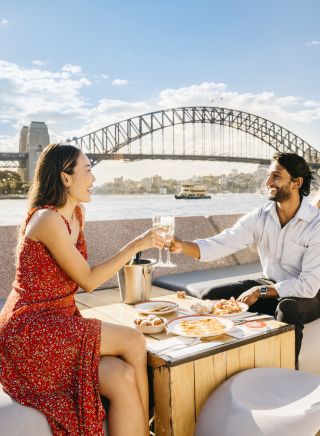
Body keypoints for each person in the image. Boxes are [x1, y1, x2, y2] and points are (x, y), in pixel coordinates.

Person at [0, 143, 164, 436]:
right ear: (66, 178)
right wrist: (137, 244)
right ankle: (158, 428)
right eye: (88, 170)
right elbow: (88, 280)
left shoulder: (77, 215)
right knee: (134, 341)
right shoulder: (46, 219)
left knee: (122, 377)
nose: (94, 178)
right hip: (30, 331)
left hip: (60, 321)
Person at [170, 152, 320, 365]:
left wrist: (259, 291)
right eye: (268, 175)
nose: (268, 182)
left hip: (311, 294)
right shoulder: (261, 216)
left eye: (276, 176)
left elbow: (309, 285)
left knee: (287, 309)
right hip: (270, 286)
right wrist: (182, 246)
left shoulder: (316, 224)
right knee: (210, 295)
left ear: (297, 182)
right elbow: (222, 243)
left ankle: (286, 376)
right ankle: (214, 365)